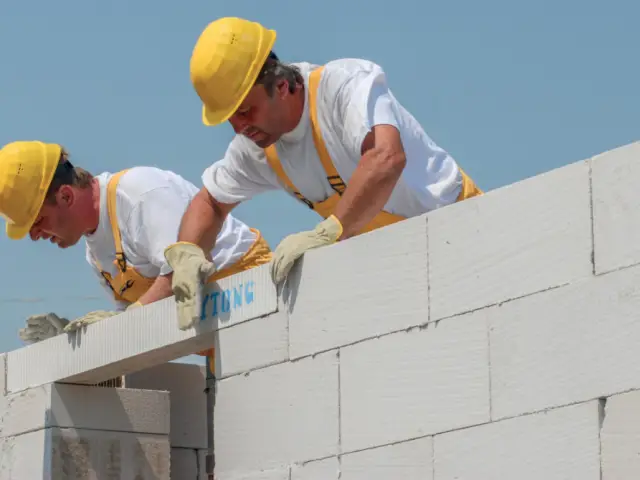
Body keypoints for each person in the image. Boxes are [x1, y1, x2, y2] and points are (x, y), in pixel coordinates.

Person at [163, 16, 483, 328]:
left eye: (246, 111)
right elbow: (211, 202)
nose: (239, 127)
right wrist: (189, 253)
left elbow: (386, 157)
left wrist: (327, 234)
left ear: (282, 85)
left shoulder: (344, 86)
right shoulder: (257, 146)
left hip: (462, 234)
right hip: (398, 266)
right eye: (231, 118)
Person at [0, 140, 272, 383]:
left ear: (66, 196)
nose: (35, 236)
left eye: (37, 222)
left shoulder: (139, 194)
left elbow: (183, 271)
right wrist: (74, 344)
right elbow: (139, 324)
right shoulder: (95, 252)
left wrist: (125, 322)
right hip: (218, 340)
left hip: (255, 305)